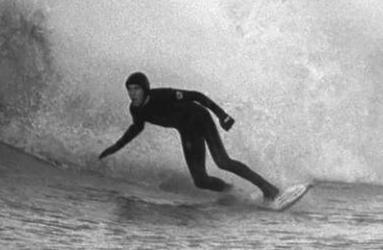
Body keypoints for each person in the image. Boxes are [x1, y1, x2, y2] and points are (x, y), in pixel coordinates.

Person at [98, 71, 280, 200]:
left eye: (136, 89)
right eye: (129, 89)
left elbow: (196, 96)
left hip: (200, 118)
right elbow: (137, 128)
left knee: (223, 161)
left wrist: (222, 115)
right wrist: (116, 147)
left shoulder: (162, 95)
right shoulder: (136, 109)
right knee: (200, 181)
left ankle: (269, 188)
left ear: (145, 89)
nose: (132, 93)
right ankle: (232, 192)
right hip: (186, 131)